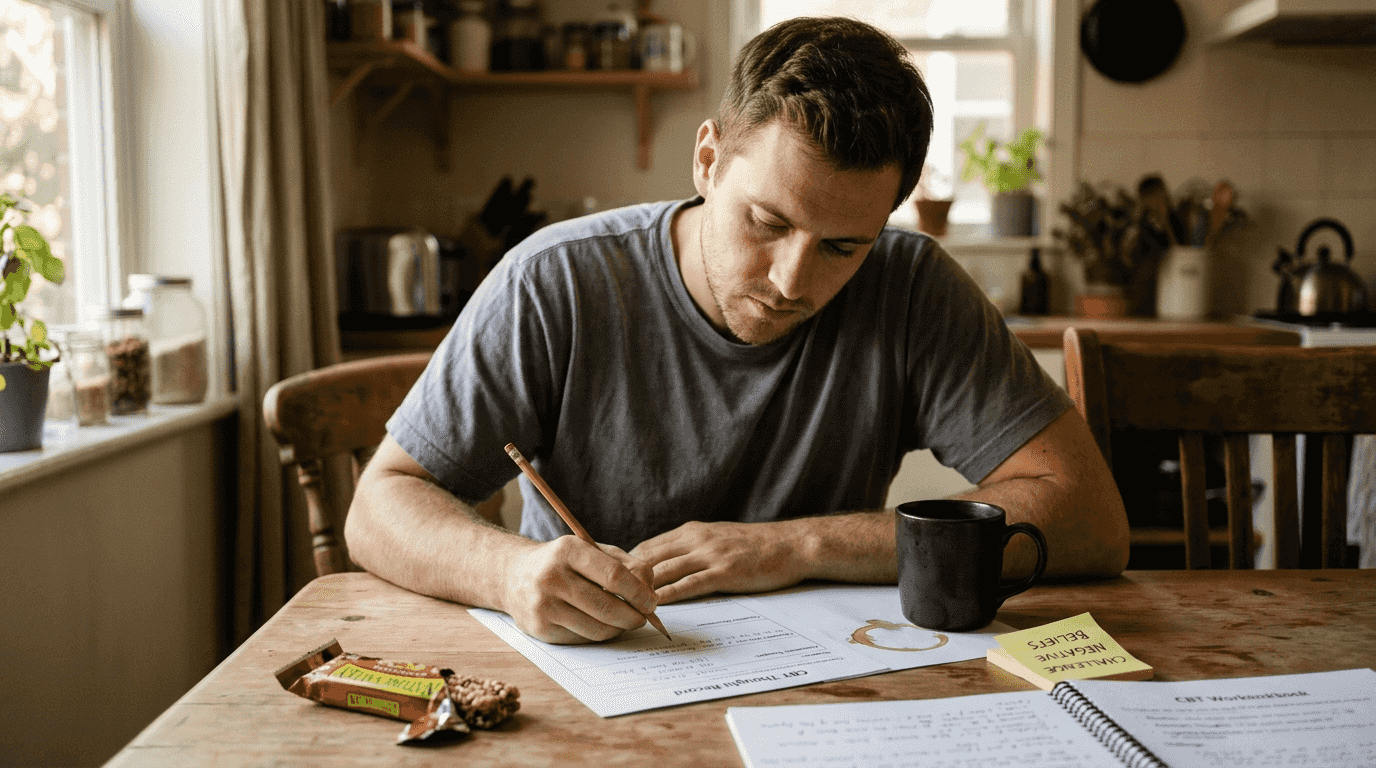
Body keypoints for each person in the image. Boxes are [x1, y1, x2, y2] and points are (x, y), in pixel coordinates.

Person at [345, 17, 1129, 645]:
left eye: (843, 247)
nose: (793, 281)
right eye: (767, 222)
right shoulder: (555, 281)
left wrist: (794, 547)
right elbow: (380, 504)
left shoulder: (913, 284)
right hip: (595, 677)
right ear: (708, 159)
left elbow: (1090, 519)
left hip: (828, 680)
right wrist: (510, 573)